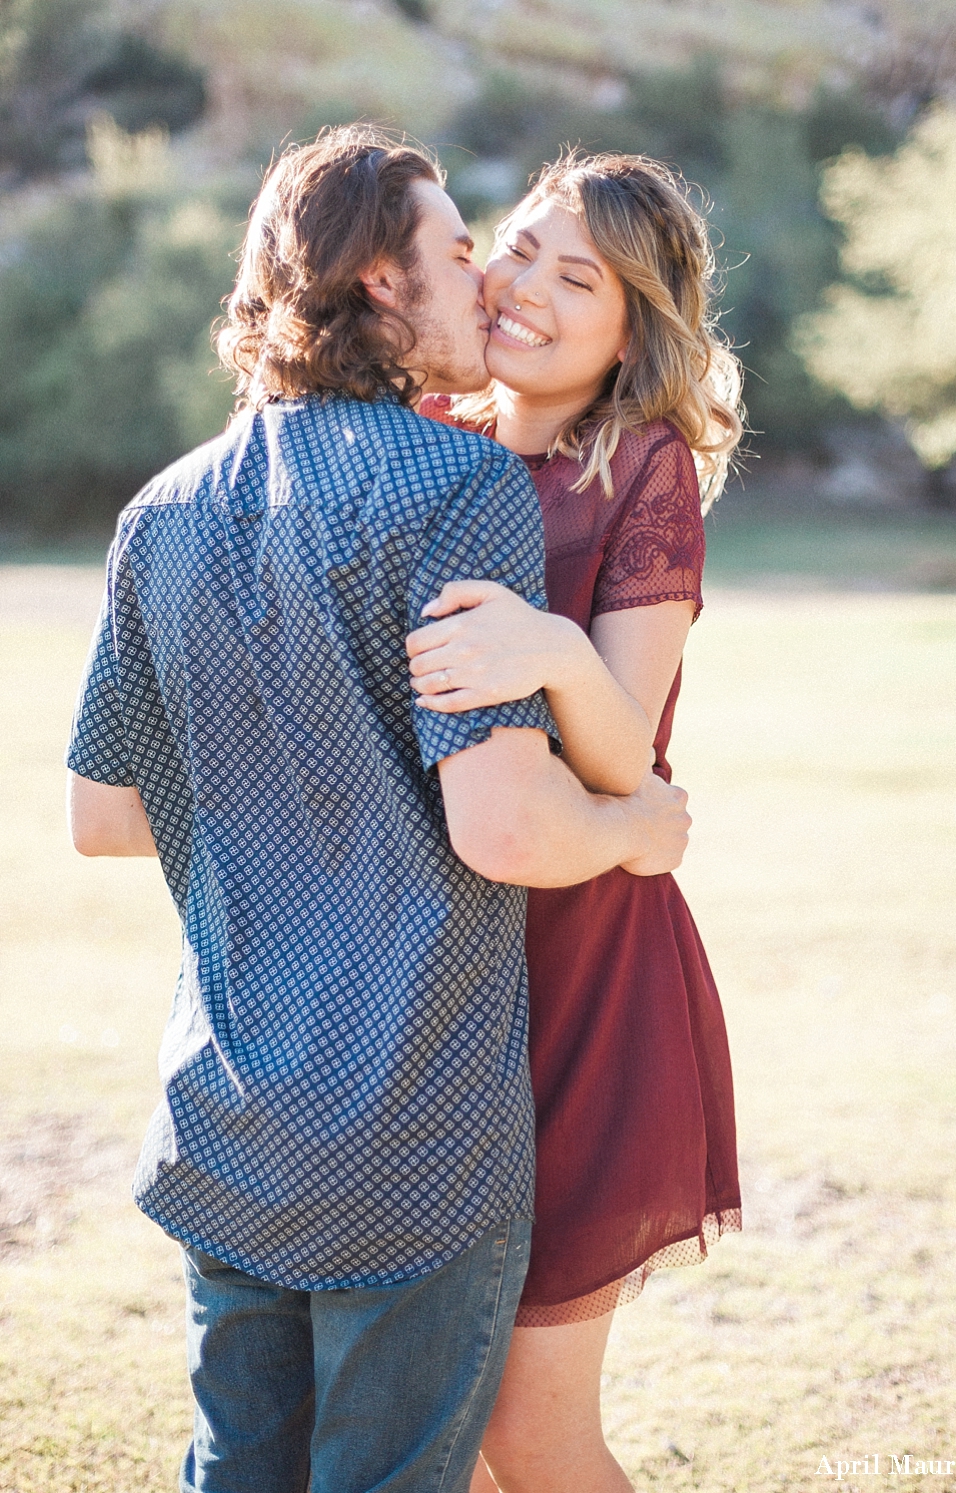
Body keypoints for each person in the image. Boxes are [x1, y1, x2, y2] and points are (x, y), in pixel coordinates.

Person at [64, 129, 693, 1493]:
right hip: (409, 1131)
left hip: (225, 1115)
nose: (489, 285)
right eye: (465, 253)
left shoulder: (157, 511)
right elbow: (510, 829)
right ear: (381, 286)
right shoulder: (457, 485)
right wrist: (642, 827)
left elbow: (102, 815)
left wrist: (297, 801)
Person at [410, 151, 743, 1493]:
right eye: (522, 247)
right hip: (432, 970)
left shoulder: (640, 468)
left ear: (634, 324)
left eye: (579, 275)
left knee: (527, 1429)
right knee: (448, 1421)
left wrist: (549, 648)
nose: (528, 287)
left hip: (582, 968)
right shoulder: (425, 427)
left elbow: (626, 760)